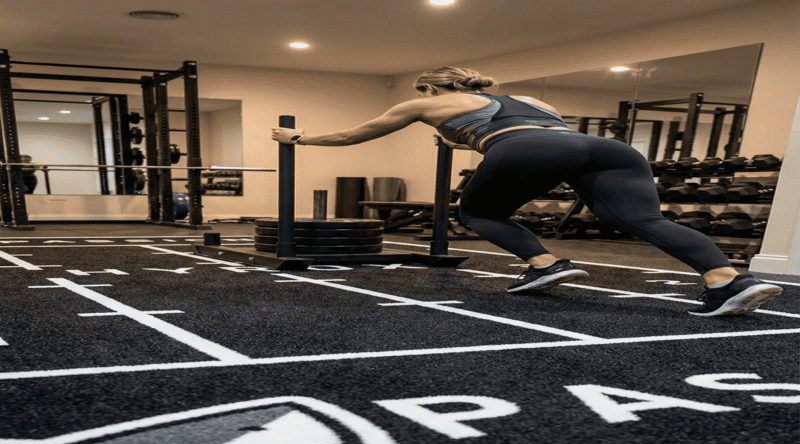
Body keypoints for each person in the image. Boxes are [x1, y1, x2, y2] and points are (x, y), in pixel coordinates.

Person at [271, 66, 783, 317]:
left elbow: (359, 133)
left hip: (527, 150)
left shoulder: (423, 105)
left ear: (430, 89)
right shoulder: (529, 98)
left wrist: (302, 138)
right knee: (645, 220)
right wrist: (469, 140)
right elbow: (530, 139)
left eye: (423, 92)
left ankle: (545, 264)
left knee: (475, 213)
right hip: (604, 148)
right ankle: (728, 281)